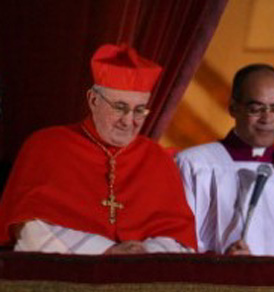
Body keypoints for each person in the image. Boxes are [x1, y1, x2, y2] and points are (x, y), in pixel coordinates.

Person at [0, 44, 196, 254]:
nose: (128, 121)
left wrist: (145, 254)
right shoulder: (46, 145)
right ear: (93, 100)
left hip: (143, 277)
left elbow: (180, 238)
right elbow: (29, 229)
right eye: (120, 107)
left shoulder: (157, 158)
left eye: (139, 110)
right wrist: (106, 251)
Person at [177, 64, 274, 255]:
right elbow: (179, 244)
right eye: (256, 109)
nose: (267, 119)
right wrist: (219, 263)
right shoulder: (194, 165)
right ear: (234, 108)